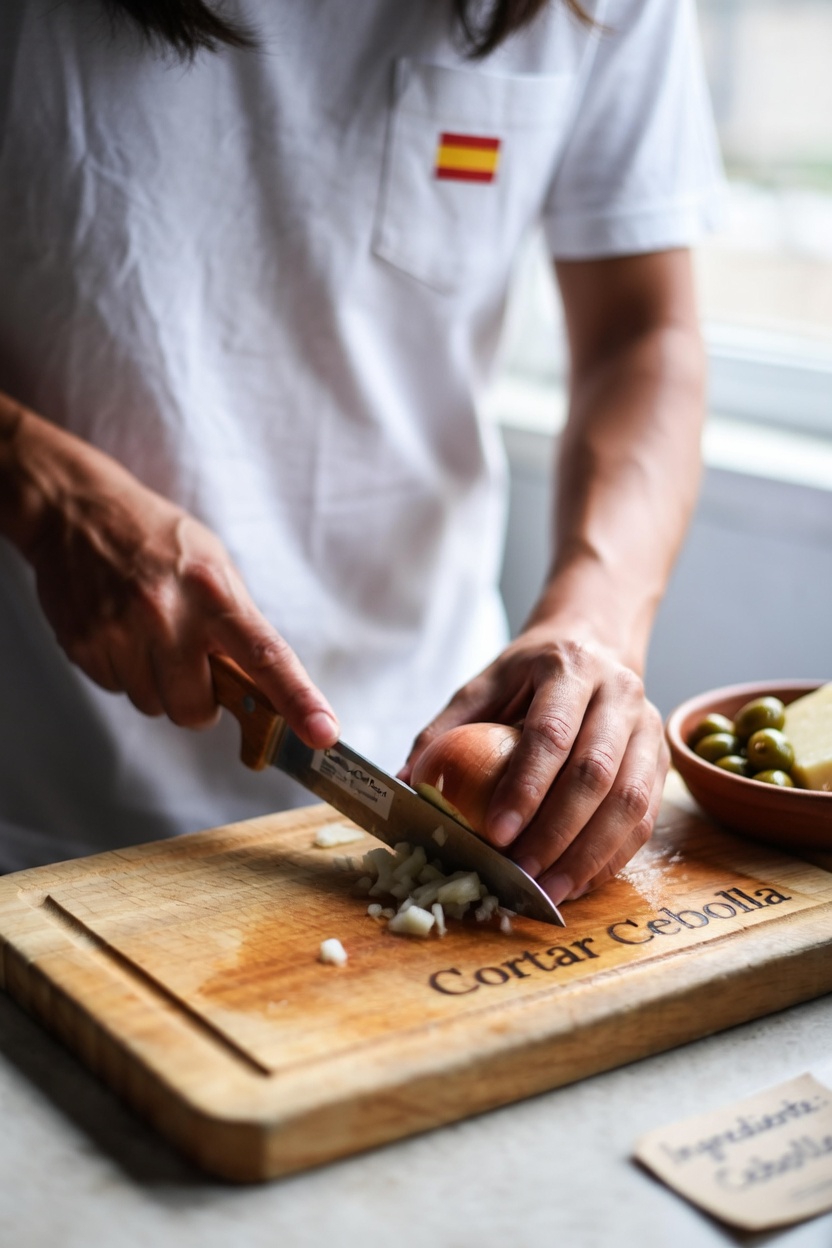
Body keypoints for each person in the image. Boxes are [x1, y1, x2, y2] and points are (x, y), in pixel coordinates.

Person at [0, 0, 723, 897]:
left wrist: (595, 621)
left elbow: (641, 335)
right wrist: (37, 482)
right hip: (37, 816)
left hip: (424, 767)